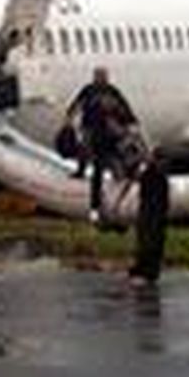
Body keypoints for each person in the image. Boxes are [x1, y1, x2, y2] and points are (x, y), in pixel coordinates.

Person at [66, 67, 139, 223]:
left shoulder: (111, 91)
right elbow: (77, 103)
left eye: (103, 76)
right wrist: (69, 117)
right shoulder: (90, 90)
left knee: (111, 164)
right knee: (93, 165)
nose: (101, 78)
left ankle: (117, 198)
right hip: (94, 133)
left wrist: (132, 121)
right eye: (99, 76)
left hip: (107, 136)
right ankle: (94, 204)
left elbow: (124, 108)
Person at [128, 148, 170, 285]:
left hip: (156, 213)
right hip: (149, 212)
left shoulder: (159, 176)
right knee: (147, 241)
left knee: (154, 242)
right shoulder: (150, 175)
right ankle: (143, 270)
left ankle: (149, 271)